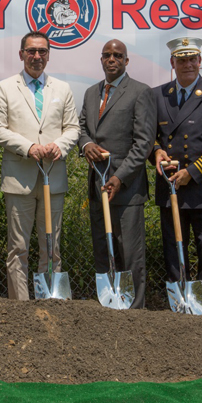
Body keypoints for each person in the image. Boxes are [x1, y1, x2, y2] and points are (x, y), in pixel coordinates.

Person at [0, 31, 80, 300]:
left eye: (42, 51)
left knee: (51, 246)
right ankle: (21, 307)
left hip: (53, 177)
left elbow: (73, 128)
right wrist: (28, 147)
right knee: (18, 248)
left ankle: (49, 300)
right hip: (19, 180)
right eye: (31, 51)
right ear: (21, 54)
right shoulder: (5, 87)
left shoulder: (62, 89)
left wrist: (59, 146)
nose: (37, 56)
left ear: (49, 55)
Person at [151, 37, 202, 313]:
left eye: (192, 59)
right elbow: (149, 137)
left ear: (199, 62)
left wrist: (192, 172)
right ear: (172, 63)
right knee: (174, 250)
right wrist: (157, 152)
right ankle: (179, 304)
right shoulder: (157, 96)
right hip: (170, 186)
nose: (187, 64)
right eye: (181, 60)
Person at [78, 39, 156, 309]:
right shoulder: (90, 93)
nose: (112, 59)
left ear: (126, 61)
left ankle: (134, 309)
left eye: (118, 55)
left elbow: (143, 143)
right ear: (101, 60)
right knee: (103, 246)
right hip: (97, 183)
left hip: (126, 187)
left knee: (130, 252)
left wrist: (120, 177)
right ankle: (109, 305)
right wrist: (86, 144)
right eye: (107, 55)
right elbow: (81, 128)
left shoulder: (140, 92)